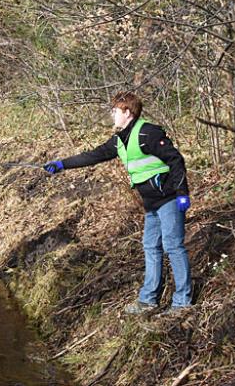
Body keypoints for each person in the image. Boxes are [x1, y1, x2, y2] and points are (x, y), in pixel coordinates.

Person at [44, 92, 192, 316]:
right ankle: (148, 300)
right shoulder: (120, 140)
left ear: (127, 112)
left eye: (115, 111)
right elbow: (93, 156)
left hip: (169, 200)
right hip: (151, 205)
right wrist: (61, 164)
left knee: (173, 247)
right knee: (151, 247)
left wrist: (182, 193)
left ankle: (182, 303)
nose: (112, 115)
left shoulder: (148, 133)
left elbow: (175, 159)